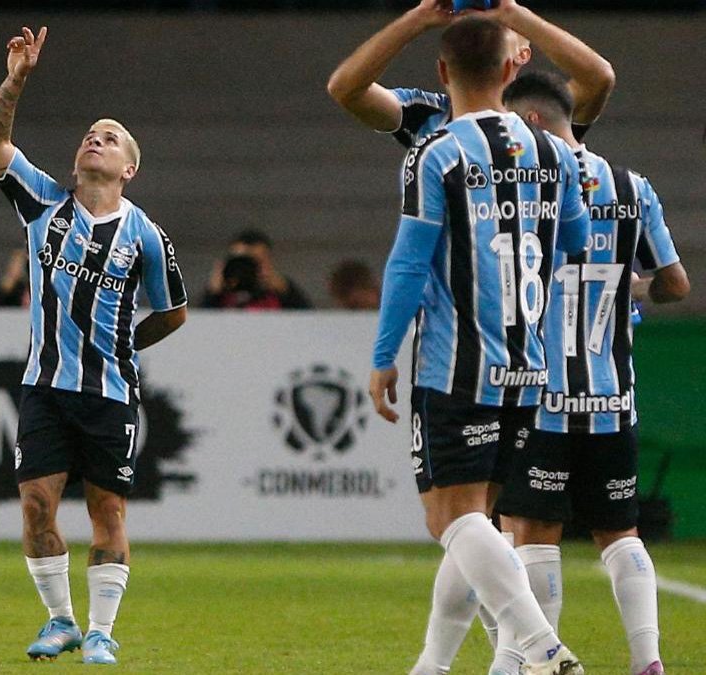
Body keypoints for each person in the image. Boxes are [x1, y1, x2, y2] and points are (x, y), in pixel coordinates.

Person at [329, 2, 615, 670]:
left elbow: (406, 262)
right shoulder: (552, 145)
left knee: (451, 520)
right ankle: (434, 664)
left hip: (456, 358)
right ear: (510, 61)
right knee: (477, 523)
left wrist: (382, 356)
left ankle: (538, 646)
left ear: (447, 66)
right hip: (528, 358)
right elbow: (574, 241)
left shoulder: (436, 148)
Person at [0, 26, 187, 666]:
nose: (96, 137)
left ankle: (101, 629)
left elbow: (174, 311)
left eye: (112, 136)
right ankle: (61, 621)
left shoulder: (146, 235)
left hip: (110, 391)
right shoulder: (43, 203)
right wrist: (16, 80)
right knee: (37, 505)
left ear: (129, 169)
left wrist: (126, 340)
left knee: (109, 510)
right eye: (90, 133)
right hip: (44, 386)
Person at [494, 72, 690, 675]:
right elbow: (676, 284)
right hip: (612, 398)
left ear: (528, 122)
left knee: (532, 532)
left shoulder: (529, 188)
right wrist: (628, 284)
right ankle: (648, 661)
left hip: (542, 399)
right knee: (620, 533)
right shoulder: (633, 186)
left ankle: (539, 661)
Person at [327, 0, 614, 150]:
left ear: (523, 54)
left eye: (497, 25)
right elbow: (345, 89)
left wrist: (514, 14)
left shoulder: (543, 114)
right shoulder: (427, 116)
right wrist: (419, 17)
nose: (485, 23)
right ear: (444, 68)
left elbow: (599, 78)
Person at [201, 229, 312, 309]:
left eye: (256, 262)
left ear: (268, 262)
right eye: (242, 262)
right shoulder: (220, 295)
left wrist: (286, 291)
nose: (247, 269)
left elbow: (307, 322)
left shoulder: (281, 292)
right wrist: (212, 294)